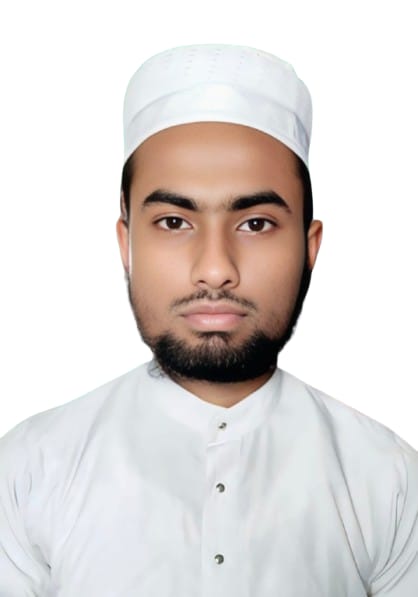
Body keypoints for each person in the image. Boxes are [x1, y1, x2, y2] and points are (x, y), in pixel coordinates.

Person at [0, 43, 417, 597]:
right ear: (127, 243)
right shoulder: (30, 469)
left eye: (256, 224)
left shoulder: (389, 480)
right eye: (174, 222)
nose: (216, 269)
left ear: (309, 246)